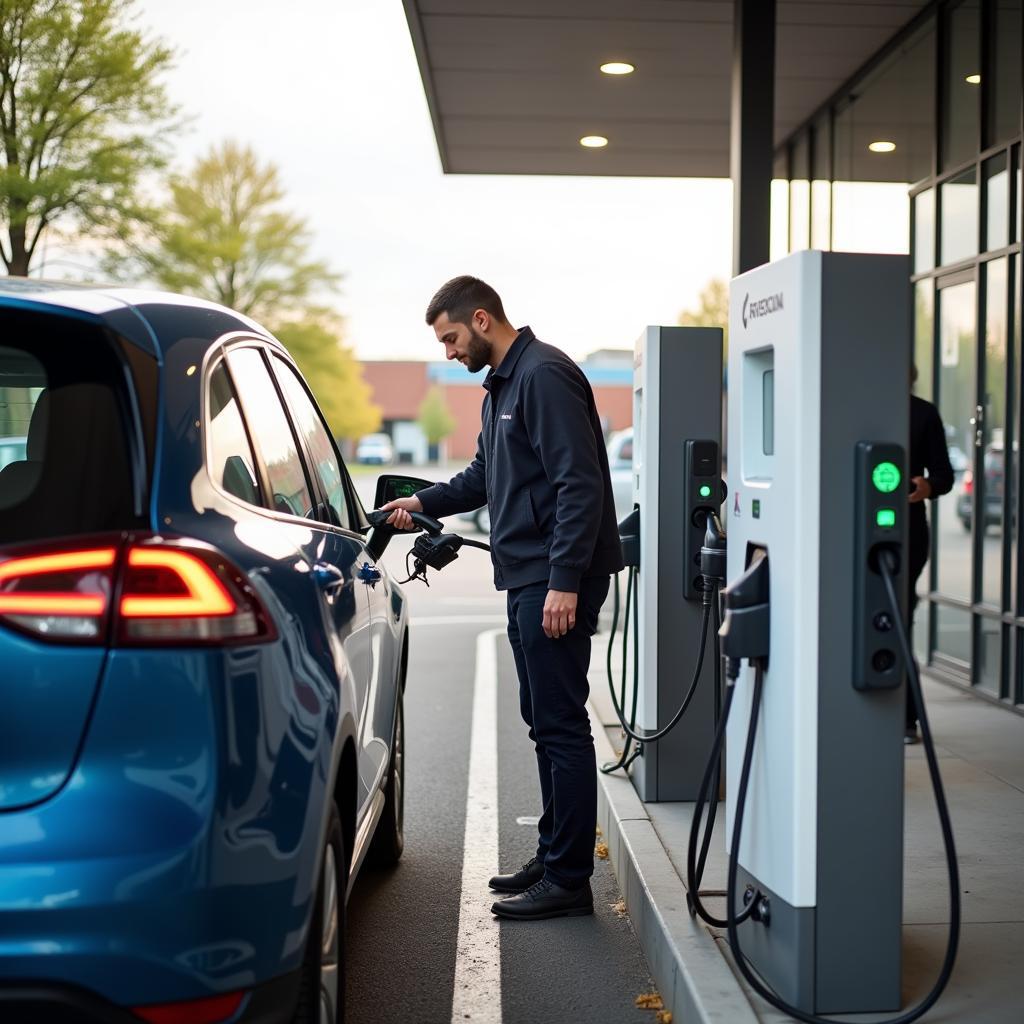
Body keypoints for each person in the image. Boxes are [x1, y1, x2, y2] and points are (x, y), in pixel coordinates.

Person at [382, 276, 624, 920]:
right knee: (543, 722)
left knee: (562, 725)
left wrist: (566, 579)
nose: (449, 352)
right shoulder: (502, 388)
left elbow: (581, 484)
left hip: (552, 578)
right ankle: (553, 856)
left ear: (483, 319)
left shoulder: (544, 376)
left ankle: (570, 881)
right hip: (527, 575)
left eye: (452, 338)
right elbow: (484, 477)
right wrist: (421, 502)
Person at [907, 376, 954, 744]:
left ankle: (905, 718)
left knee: (898, 617)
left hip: (906, 533)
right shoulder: (846, 408)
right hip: (848, 533)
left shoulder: (923, 414)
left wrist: (927, 486)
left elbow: (944, 475)